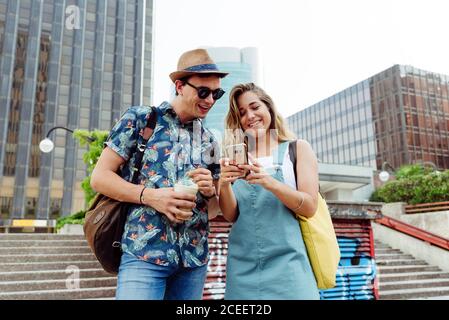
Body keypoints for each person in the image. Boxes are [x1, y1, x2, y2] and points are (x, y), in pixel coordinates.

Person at [90, 49, 228, 300]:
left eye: (216, 94)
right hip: (144, 253)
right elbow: (99, 178)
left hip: (194, 261)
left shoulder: (210, 141)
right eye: (203, 92)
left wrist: (211, 192)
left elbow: (216, 209)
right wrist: (151, 197)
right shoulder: (141, 119)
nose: (210, 100)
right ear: (179, 86)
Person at [219, 83, 320, 299]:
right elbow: (231, 215)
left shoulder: (297, 149)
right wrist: (224, 183)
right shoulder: (238, 158)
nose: (250, 116)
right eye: (242, 113)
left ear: (269, 108)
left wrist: (269, 182)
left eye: (255, 107)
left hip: (290, 270)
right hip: (242, 271)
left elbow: (310, 207)